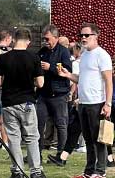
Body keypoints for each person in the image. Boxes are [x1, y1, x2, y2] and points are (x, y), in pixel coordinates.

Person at [57, 22, 113, 178]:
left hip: (97, 103)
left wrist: (107, 104)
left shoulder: (102, 55)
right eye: (81, 35)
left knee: (99, 139)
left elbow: (108, 81)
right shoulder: (85, 54)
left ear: (96, 36)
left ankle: (100, 172)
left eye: (86, 35)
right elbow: (82, 79)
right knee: (88, 139)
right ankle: (89, 171)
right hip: (83, 103)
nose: (83, 38)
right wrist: (68, 75)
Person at [0, 27, 46, 178]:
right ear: (28, 41)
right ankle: (36, 171)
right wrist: (30, 82)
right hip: (27, 102)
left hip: (9, 102)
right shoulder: (34, 57)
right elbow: (41, 83)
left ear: (15, 39)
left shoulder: (3, 58)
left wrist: (8, 80)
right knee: (31, 137)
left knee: (14, 138)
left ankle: (17, 171)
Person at [36, 24, 73, 159]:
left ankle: (60, 155)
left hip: (59, 94)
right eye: (44, 39)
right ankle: (36, 154)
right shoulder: (42, 51)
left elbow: (67, 70)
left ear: (56, 37)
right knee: (38, 125)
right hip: (43, 94)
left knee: (61, 124)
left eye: (47, 39)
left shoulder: (64, 52)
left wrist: (50, 67)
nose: (45, 41)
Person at [0, 29, 13, 150]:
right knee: (4, 120)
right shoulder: (9, 52)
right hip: (5, 88)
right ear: (7, 38)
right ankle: (5, 143)